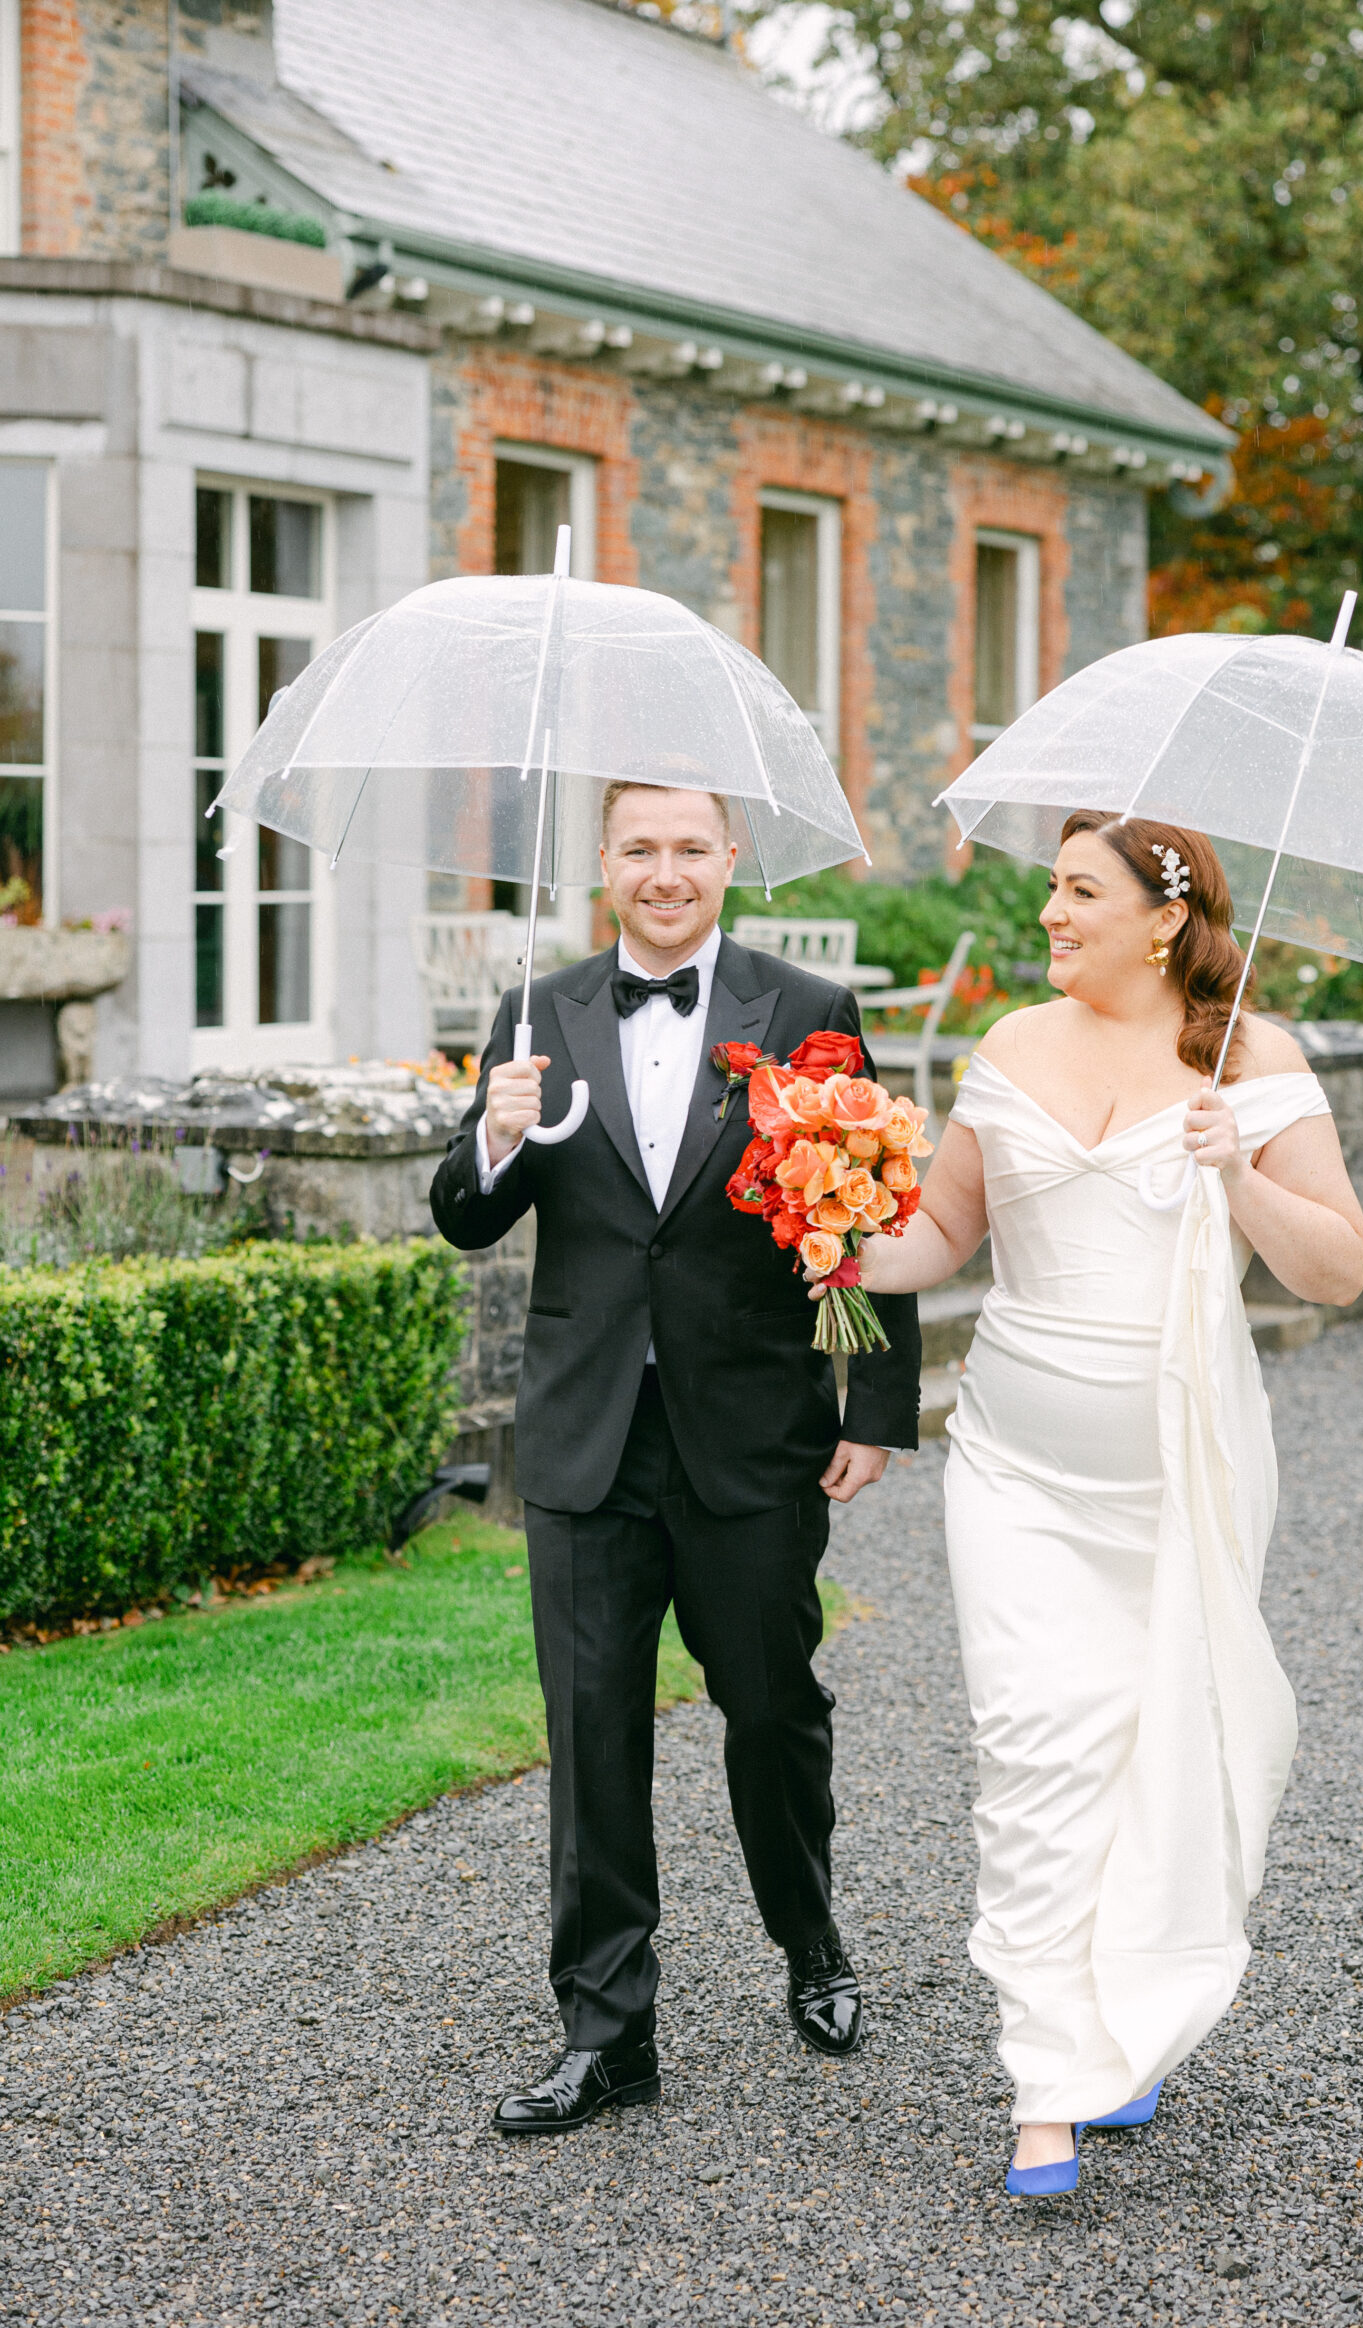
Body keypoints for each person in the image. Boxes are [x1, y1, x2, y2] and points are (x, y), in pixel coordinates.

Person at [854, 812, 1363, 2198]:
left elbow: (1336, 1269)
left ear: (1164, 918)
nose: (1051, 914)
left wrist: (1239, 1171)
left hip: (1176, 1476)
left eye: (1080, 891)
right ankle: (1050, 2085)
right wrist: (830, 1237)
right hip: (1014, 1469)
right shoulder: (1013, 1043)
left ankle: (1126, 2021)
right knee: (1031, 1750)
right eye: (1052, 889)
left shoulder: (1253, 1061)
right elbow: (942, 1233)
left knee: (1160, 1753)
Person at [431, 782, 921, 2136]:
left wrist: (873, 1406)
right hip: (585, 1435)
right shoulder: (535, 1014)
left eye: (690, 847)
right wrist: (496, 1133)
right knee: (591, 1736)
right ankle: (606, 2033)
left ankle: (810, 1942)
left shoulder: (805, 1010)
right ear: (603, 861)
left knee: (772, 1710)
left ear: (729, 857)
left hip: (751, 1431)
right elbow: (465, 1217)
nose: (665, 871)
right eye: (639, 848)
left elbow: (866, 1205)